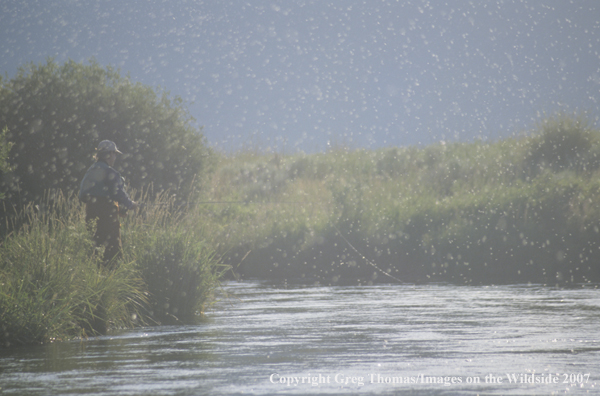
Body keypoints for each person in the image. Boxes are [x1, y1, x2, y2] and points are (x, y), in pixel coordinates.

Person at [79, 140, 138, 267]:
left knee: (96, 246)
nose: (115, 157)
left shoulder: (90, 171)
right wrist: (130, 204)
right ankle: (112, 278)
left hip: (90, 213)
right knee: (112, 249)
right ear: (110, 154)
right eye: (115, 154)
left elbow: (82, 195)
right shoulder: (110, 172)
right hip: (107, 216)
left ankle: (97, 277)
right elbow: (118, 194)